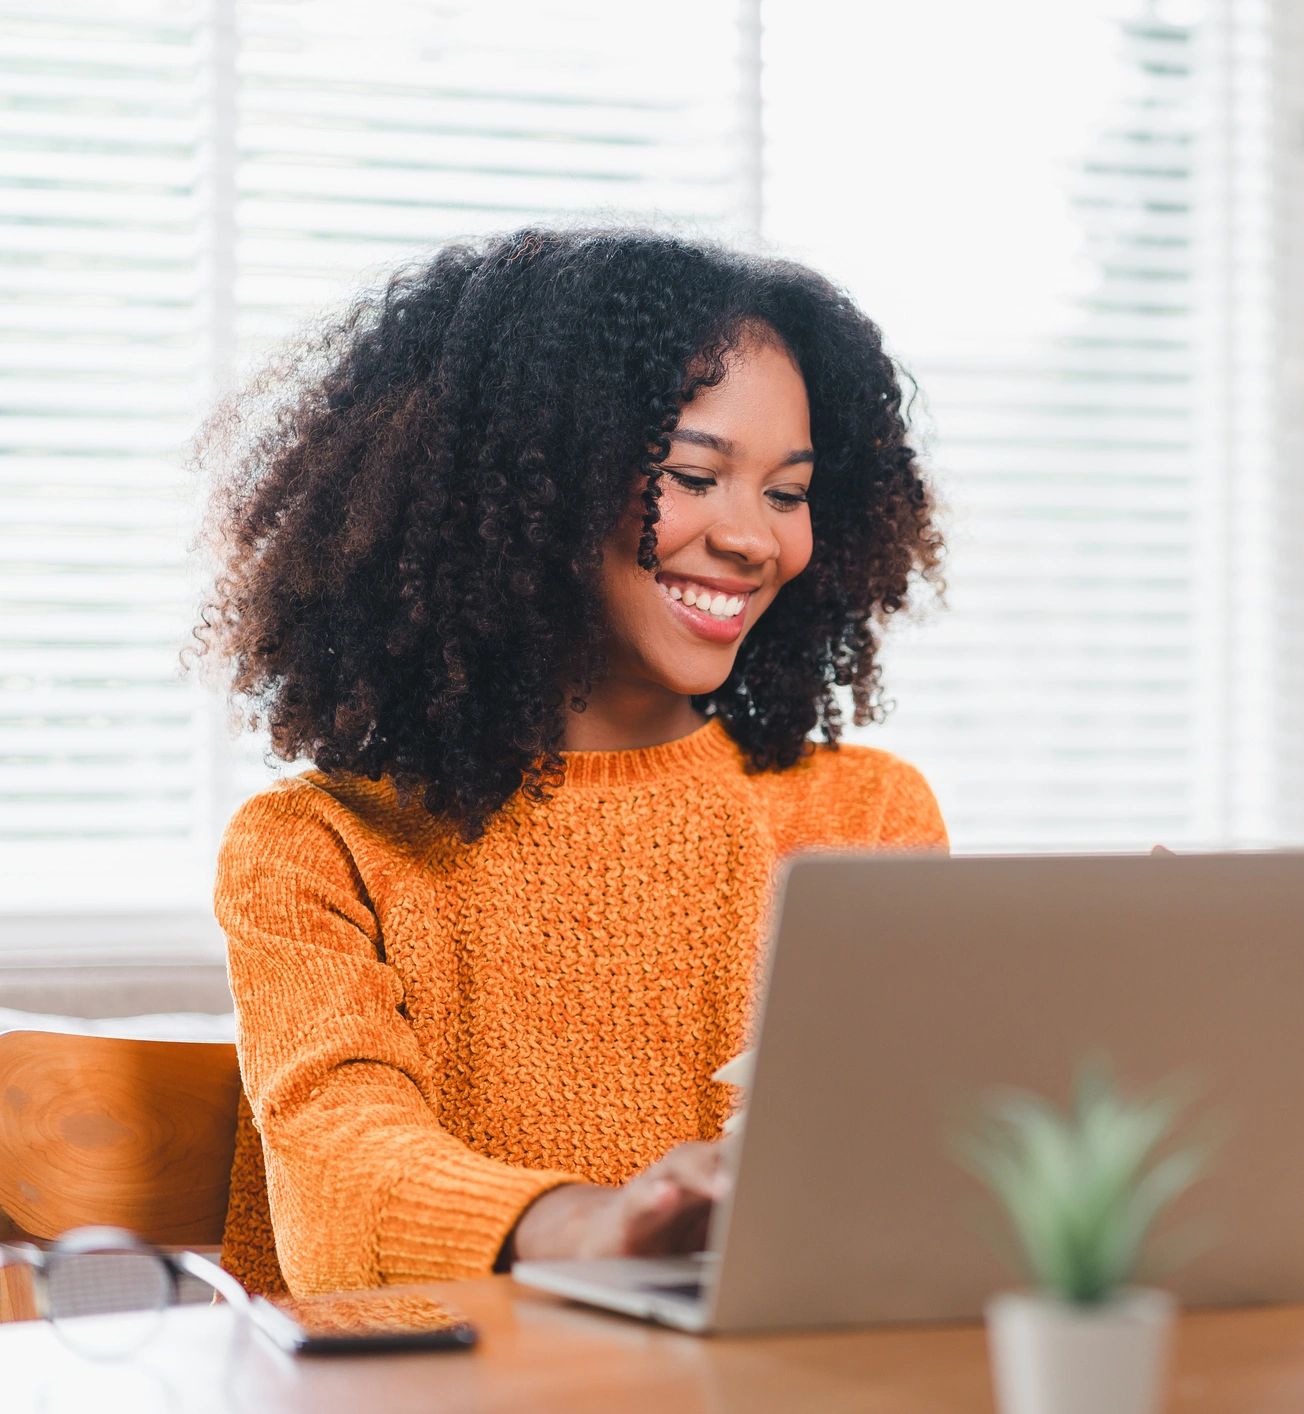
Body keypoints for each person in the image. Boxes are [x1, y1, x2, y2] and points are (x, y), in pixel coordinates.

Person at [193, 226, 946, 1296]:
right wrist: (596, 1226)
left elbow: (913, 1180)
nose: (753, 540)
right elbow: (343, 1170)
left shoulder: (864, 816)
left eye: (787, 493)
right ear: (522, 489)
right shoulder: (316, 849)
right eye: (695, 474)